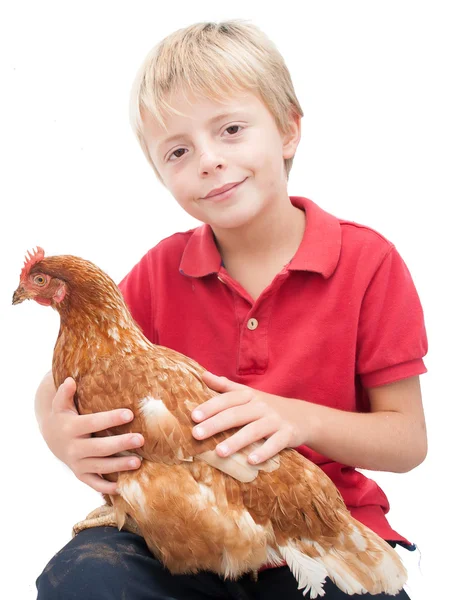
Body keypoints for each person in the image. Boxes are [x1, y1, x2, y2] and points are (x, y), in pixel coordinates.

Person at [34, 20, 428, 599]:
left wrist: (297, 418)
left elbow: (408, 442)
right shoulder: (160, 272)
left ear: (289, 129)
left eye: (232, 129)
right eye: (178, 150)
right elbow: (62, 383)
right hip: (183, 522)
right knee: (87, 579)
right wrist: (60, 434)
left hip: (317, 527)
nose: (209, 160)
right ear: (159, 171)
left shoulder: (367, 262)